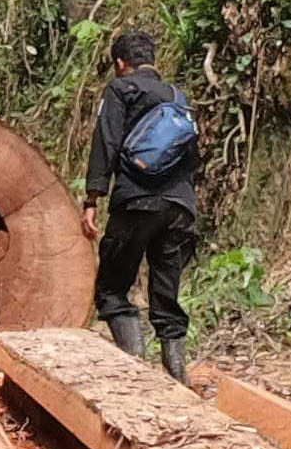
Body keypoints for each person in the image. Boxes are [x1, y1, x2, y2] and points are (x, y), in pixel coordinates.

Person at [80, 25, 202, 385]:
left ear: (121, 64)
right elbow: (192, 157)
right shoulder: (177, 97)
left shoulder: (121, 89)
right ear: (152, 60)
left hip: (136, 202)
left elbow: (107, 142)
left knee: (113, 288)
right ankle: (178, 377)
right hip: (180, 207)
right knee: (167, 293)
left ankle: (135, 373)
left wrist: (92, 198)